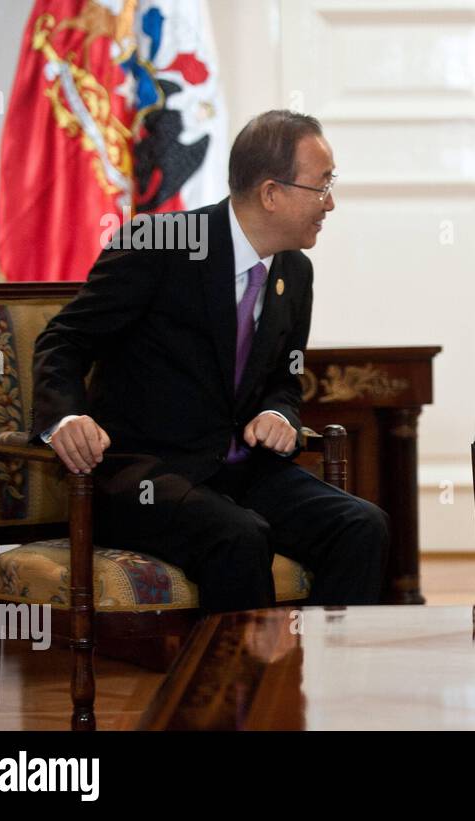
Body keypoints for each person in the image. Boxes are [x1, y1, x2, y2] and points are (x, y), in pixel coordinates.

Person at [32, 110, 389, 612]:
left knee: (361, 524)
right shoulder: (157, 244)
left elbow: (285, 377)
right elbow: (64, 340)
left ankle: (327, 679)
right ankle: (237, 689)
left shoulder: (295, 271)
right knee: (240, 535)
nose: (331, 202)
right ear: (271, 193)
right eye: (322, 185)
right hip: (145, 474)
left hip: (236, 474)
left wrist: (279, 414)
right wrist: (66, 417)